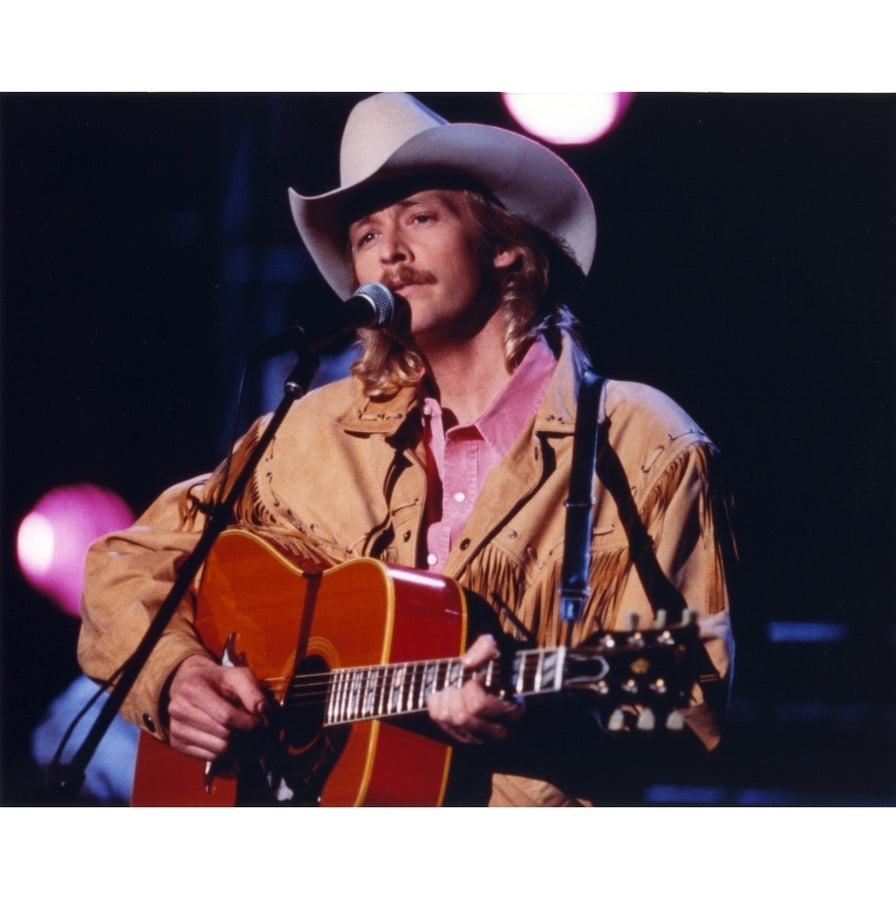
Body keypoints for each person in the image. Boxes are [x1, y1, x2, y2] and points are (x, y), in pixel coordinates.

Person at [78, 92, 736, 806]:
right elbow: (128, 564)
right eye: (365, 236)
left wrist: (530, 712)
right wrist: (177, 676)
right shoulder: (304, 433)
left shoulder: (640, 442)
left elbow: (692, 702)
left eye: (420, 218)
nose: (389, 251)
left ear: (506, 245)